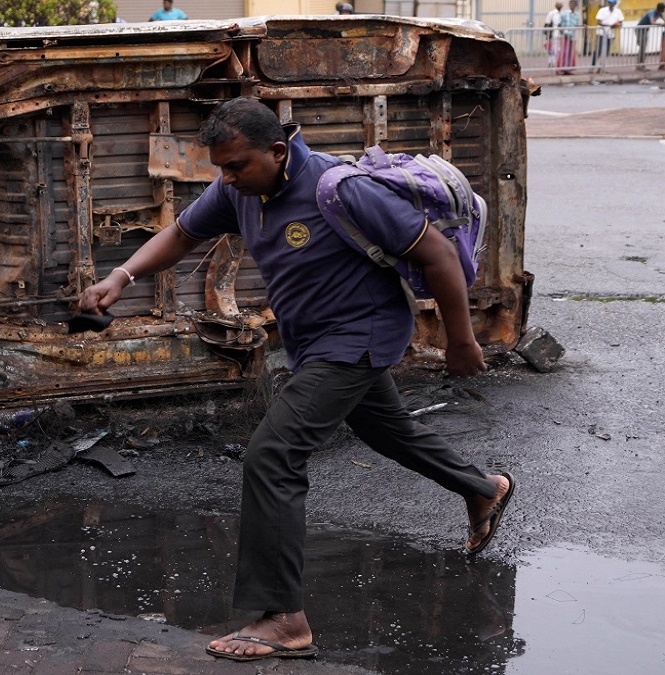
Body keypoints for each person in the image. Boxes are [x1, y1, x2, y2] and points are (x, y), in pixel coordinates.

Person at [78, 97, 514, 662]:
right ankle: (483, 489)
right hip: (313, 343)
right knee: (388, 432)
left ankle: (283, 618)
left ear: (278, 151)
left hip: (358, 337)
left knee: (273, 454)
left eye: (235, 166)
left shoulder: (341, 189)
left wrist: (461, 340)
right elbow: (183, 235)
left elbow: (437, 255)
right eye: (221, 168)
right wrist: (122, 274)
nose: (226, 179)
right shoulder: (242, 189)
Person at [593, 0, 624, 67]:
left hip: (610, 34)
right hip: (601, 33)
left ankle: (601, 67)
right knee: (598, 50)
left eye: (612, 3)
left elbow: (621, 22)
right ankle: (592, 66)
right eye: (609, 2)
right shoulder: (602, 10)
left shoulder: (618, 11)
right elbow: (599, 22)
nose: (610, 4)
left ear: (615, 3)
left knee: (606, 52)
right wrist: (609, 25)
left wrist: (616, 25)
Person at [635, 3, 665, 69]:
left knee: (643, 47)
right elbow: (652, 22)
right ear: (661, 9)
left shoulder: (659, 14)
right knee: (642, 46)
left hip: (645, 31)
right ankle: (640, 64)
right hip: (639, 30)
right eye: (663, 9)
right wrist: (660, 24)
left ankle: (641, 64)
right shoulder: (652, 12)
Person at [558, 0, 582, 73]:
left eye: (573, 3)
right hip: (565, 36)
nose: (571, 5)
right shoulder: (564, 13)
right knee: (564, 52)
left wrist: (582, 26)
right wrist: (562, 31)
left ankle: (568, 69)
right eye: (570, 3)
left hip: (572, 36)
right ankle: (562, 68)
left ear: (576, 5)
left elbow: (576, 25)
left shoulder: (577, 15)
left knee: (570, 53)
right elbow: (559, 24)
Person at [545, 1, 563, 68]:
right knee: (552, 49)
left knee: (558, 49)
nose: (560, 5)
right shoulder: (552, 13)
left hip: (560, 34)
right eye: (558, 4)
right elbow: (547, 23)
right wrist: (547, 34)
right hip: (553, 34)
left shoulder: (562, 14)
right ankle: (551, 62)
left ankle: (554, 62)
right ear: (556, 5)